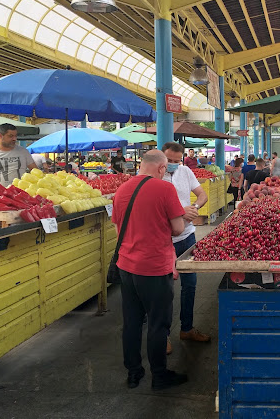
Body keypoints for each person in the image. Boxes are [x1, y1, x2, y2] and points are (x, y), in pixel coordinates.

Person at [112, 150, 187, 390]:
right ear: (162, 168)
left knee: (132, 322)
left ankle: (134, 373)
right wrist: (188, 218)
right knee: (158, 323)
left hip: (126, 266)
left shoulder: (121, 190)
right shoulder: (165, 189)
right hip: (154, 266)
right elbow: (177, 229)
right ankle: (160, 375)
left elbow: (117, 231)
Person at [161, 142, 210, 354]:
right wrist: (180, 212)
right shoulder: (155, 176)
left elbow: (202, 195)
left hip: (187, 237)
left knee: (190, 284)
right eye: (168, 160)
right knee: (164, 291)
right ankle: (162, 336)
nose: (172, 165)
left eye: (175, 161)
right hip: (164, 241)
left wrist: (195, 208)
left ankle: (187, 328)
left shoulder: (186, 171)